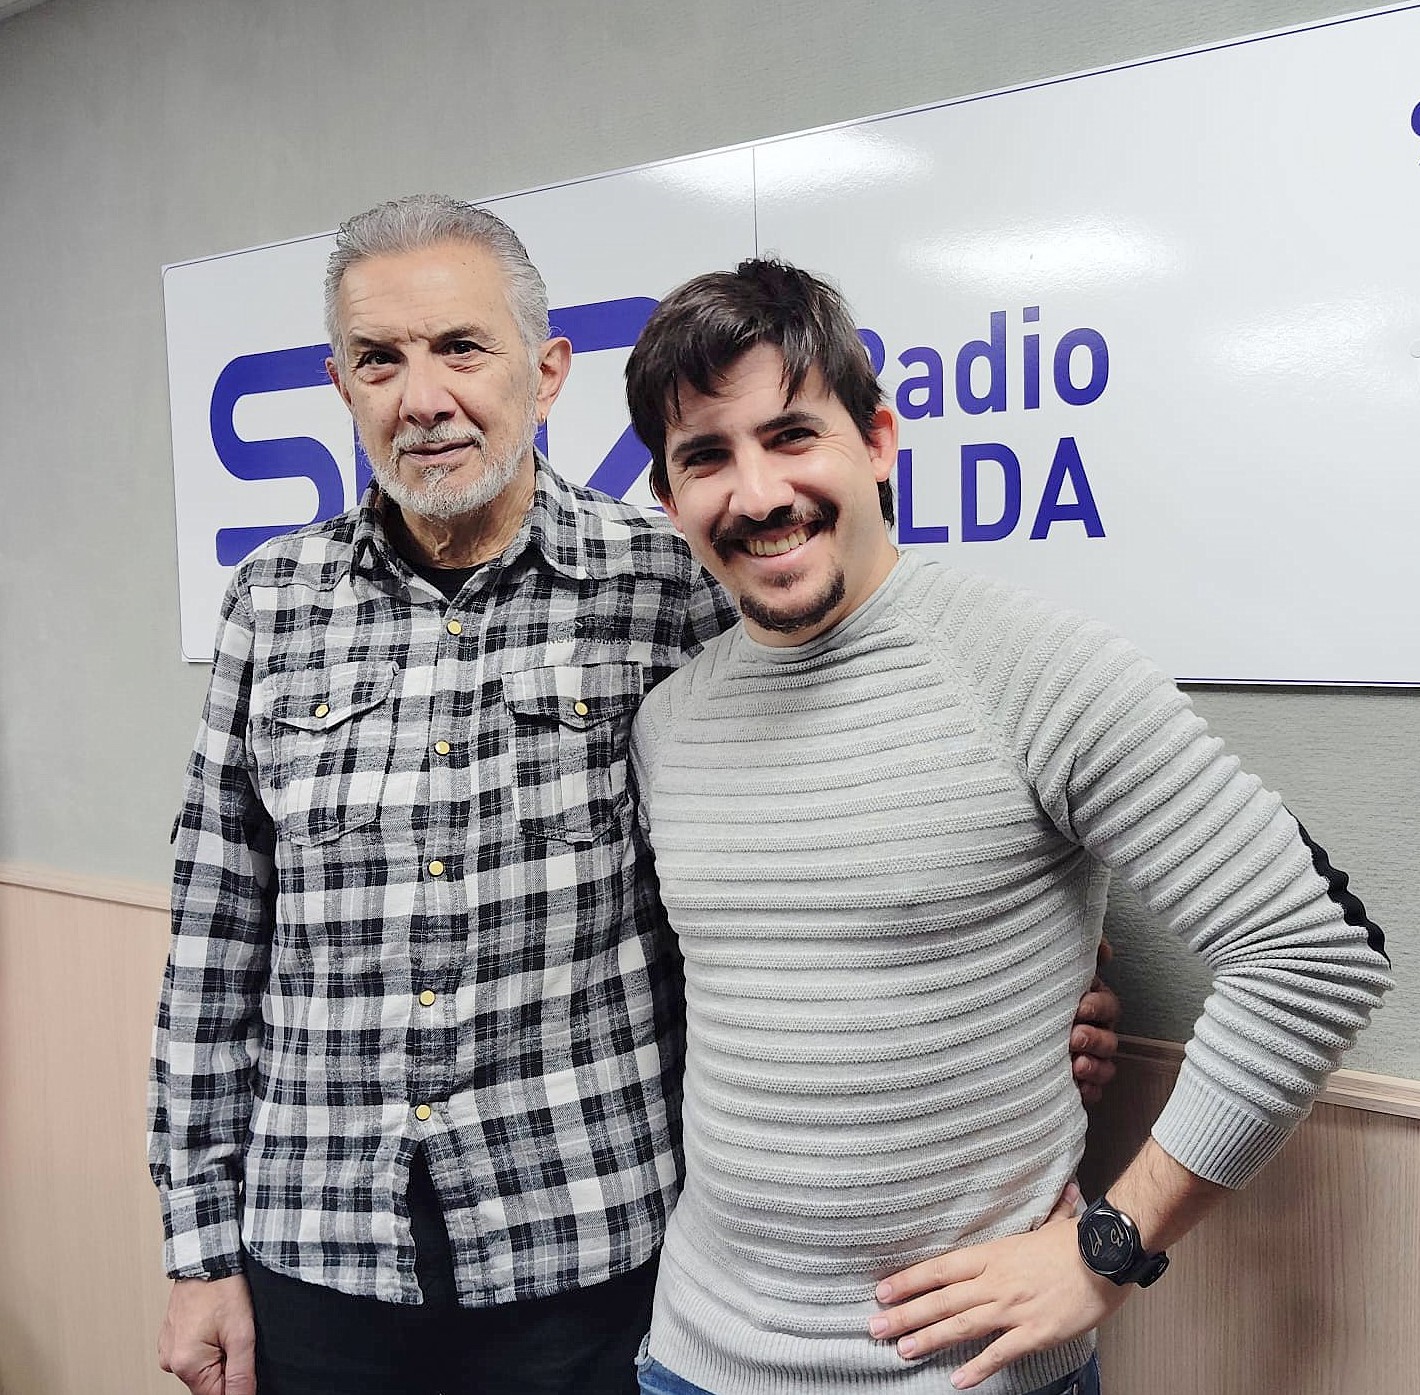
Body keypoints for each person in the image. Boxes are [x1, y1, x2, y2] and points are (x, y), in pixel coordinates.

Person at [147, 192, 1124, 1395]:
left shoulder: (674, 578)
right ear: (340, 385)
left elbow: (872, 783)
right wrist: (197, 1249)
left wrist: (1041, 1005)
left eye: (462, 347)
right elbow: (216, 938)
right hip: (317, 1254)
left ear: (545, 370)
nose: (424, 397)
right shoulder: (273, 601)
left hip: (597, 1252)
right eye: (379, 360)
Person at [622, 259, 1395, 1395]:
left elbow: (1314, 956)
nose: (756, 492)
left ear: (877, 441)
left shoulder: (1034, 668)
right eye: (707, 457)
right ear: (669, 493)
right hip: (689, 1362)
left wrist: (1111, 1250)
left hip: (958, 1378)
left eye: (792, 435)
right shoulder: (669, 724)